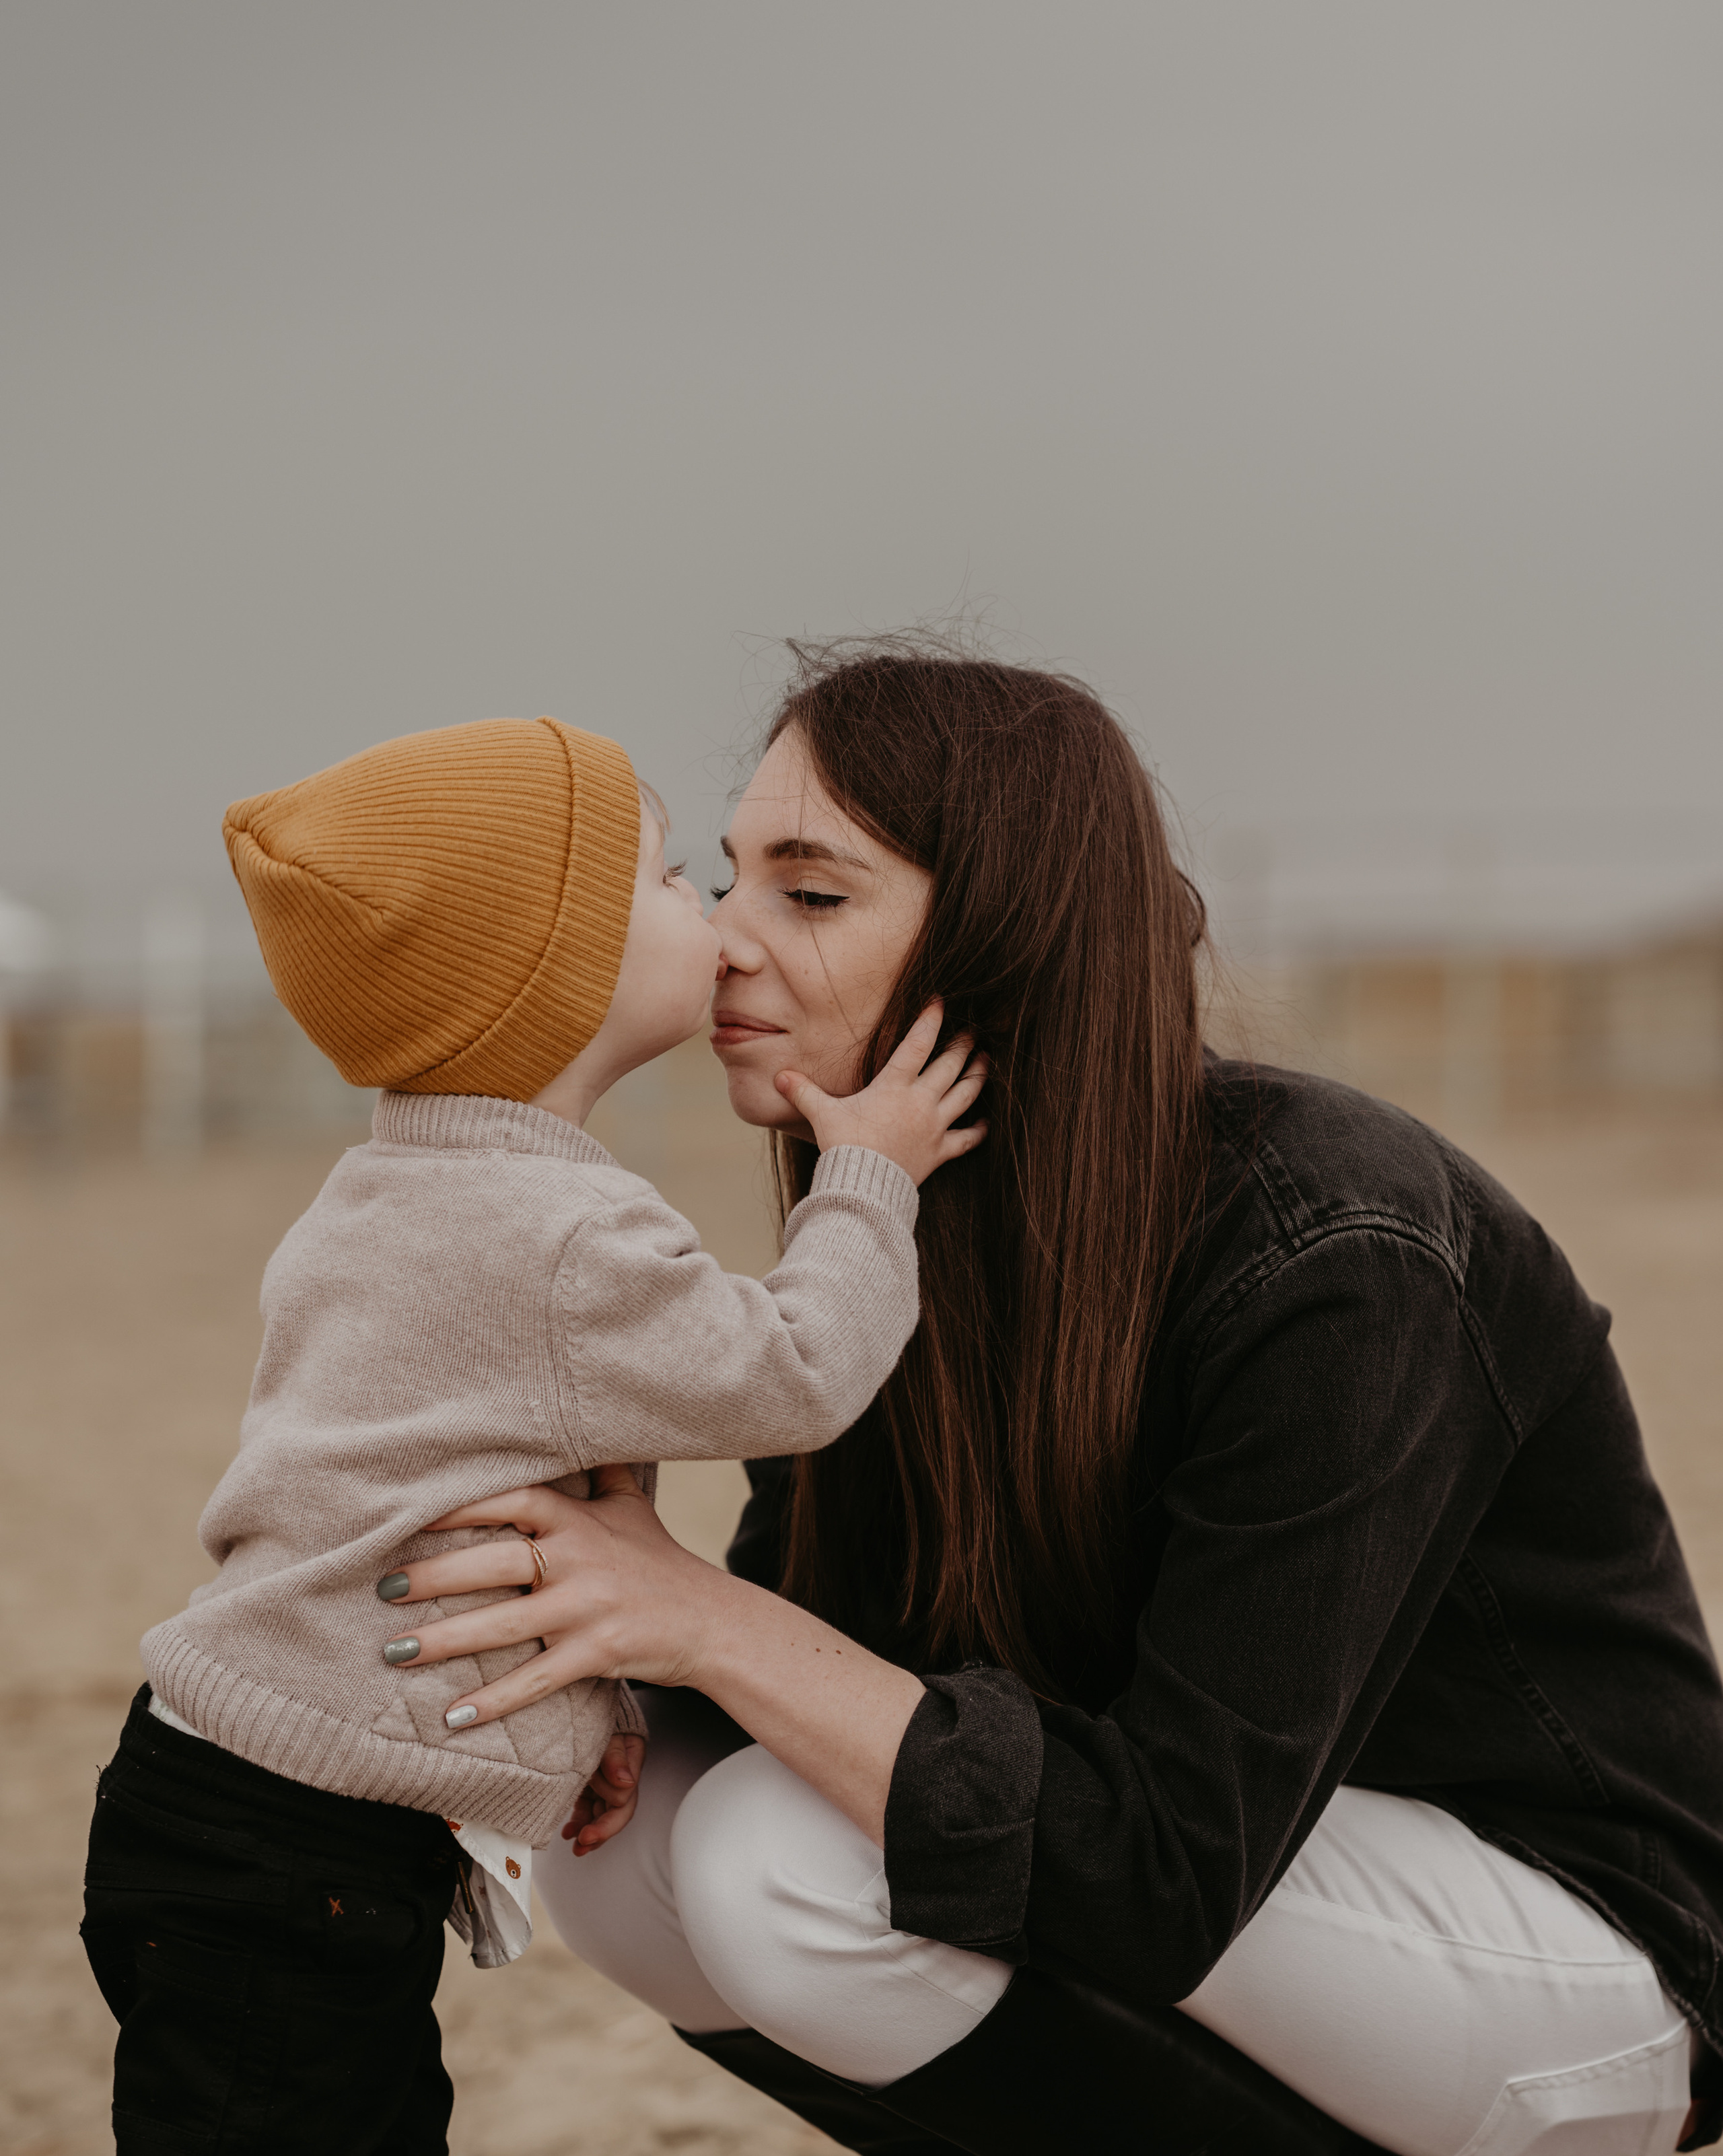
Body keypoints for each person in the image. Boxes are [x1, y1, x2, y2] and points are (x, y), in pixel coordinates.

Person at [361, 648, 1723, 2156]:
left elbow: (1162, 1859)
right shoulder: (891, 1216)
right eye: (727, 877)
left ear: (1006, 941)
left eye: (808, 896)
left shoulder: (1340, 1250)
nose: (723, 941)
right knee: (625, 1850)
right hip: (1222, 1898)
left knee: (777, 1864)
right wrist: (607, 1649)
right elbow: (839, 1647)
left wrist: (692, 1614)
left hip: (1572, 1960)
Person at [79, 712, 986, 2155]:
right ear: (551, 971)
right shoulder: (555, 1235)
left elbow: (468, 1494)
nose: (717, 918)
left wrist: (593, 1712)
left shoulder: (388, 1196)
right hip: (296, 1851)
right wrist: (865, 1176)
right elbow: (798, 1372)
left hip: (221, 1806)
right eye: (674, 878)